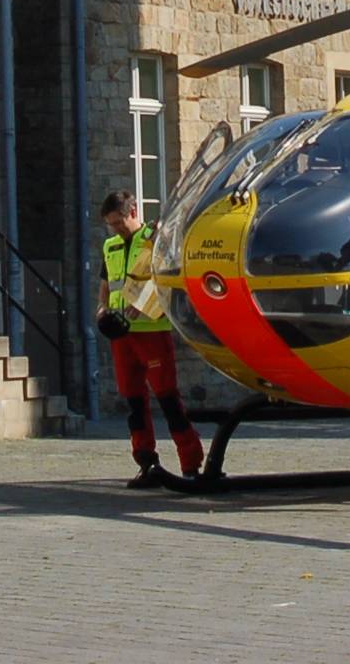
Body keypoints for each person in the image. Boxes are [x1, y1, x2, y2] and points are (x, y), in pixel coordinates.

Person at [99, 190, 204, 487]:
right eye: (111, 224)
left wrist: (139, 307)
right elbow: (106, 284)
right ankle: (146, 462)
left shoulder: (155, 240)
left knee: (168, 399)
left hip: (152, 331)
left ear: (133, 212)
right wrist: (101, 309)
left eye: (119, 222)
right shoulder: (110, 246)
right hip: (121, 335)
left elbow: (167, 281)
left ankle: (191, 463)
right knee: (134, 402)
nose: (116, 229)